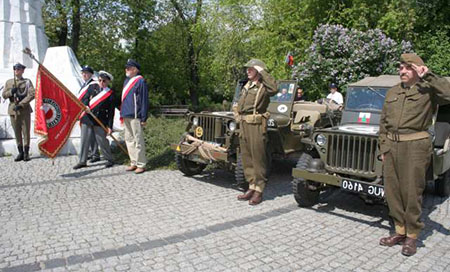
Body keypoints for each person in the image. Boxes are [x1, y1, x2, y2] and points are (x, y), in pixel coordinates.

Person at [379, 53, 450, 256]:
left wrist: (429, 76)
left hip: (416, 147)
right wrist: (383, 148)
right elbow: (383, 122)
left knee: (412, 192)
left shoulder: (429, 90)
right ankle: (399, 230)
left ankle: (412, 236)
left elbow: (449, 94)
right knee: (392, 191)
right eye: (401, 67)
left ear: (418, 69)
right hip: (392, 147)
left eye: (407, 67)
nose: (402, 71)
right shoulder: (393, 91)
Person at [236, 59, 277, 205]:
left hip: (256, 125)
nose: (248, 71)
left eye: (251, 69)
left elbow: (274, 89)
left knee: (258, 158)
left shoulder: (263, 87)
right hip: (244, 124)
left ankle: (259, 190)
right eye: (247, 68)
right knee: (247, 157)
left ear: (258, 71)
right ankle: (251, 186)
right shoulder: (247, 86)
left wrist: (263, 71)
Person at [2, 63, 35, 161]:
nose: (17, 70)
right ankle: (20, 152)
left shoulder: (27, 82)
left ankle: (26, 152)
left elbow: (32, 94)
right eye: (15, 69)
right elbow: (4, 95)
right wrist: (11, 92)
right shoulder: (9, 82)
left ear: (22, 71)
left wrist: (21, 104)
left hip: (24, 109)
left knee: (26, 131)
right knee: (17, 131)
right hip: (13, 109)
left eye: (19, 69)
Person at [121, 59, 149, 174]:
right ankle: (133, 162)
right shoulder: (126, 81)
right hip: (126, 114)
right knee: (129, 140)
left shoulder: (140, 81)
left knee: (138, 141)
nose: (126, 69)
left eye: (128, 68)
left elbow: (144, 100)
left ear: (135, 69)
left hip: (136, 115)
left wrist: (144, 117)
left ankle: (141, 164)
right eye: (126, 67)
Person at [73, 66, 102, 170]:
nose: (84, 75)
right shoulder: (84, 85)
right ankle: (95, 154)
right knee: (91, 136)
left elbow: (94, 100)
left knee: (85, 138)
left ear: (91, 74)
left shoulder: (93, 85)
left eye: (86, 73)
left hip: (88, 114)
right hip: (84, 114)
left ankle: (82, 160)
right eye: (83, 73)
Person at [89, 71, 115, 168]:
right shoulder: (93, 90)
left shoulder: (110, 94)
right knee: (91, 140)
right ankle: (94, 155)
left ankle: (109, 159)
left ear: (108, 82)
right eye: (100, 80)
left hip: (101, 120)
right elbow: (86, 100)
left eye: (104, 81)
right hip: (90, 119)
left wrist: (110, 126)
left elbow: (111, 112)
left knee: (102, 141)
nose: (101, 82)